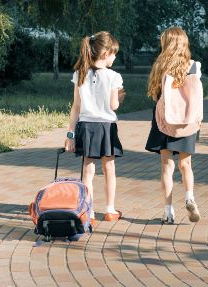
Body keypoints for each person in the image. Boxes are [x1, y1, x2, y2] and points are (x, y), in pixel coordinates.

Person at [65, 31, 125, 223]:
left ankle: (88, 211)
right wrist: (120, 96)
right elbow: (113, 105)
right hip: (106, 127)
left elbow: (75, 107)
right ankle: (109, 210)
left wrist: (70, 134)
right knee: (109, 169)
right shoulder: (114, 76)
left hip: (86, 127)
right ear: (106, 53)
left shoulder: (79, 74)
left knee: (88, 171)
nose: (115, 57)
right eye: (114, 53)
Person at [145, 27, 202, 224]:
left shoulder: (160, 67)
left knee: (167, 167)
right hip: (187, 120)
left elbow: (155, 95)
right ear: (184, 44)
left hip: (165, 121)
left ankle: (168, 212)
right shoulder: (194, 66)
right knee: (186, 165)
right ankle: (189, 197)